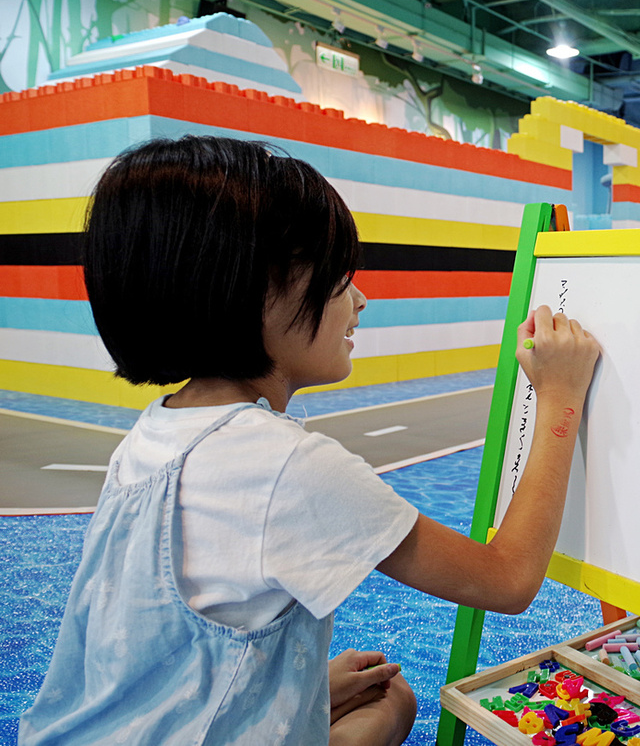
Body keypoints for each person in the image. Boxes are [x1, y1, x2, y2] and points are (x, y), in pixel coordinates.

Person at [19, 136, 600, 746]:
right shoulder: (286, 466)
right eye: (336, 277)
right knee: (394, 702)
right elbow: (506, 580)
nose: (359, 299)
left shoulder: (150, 434)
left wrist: (298, 687)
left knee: (381, 694)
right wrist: (559, 397)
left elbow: (139, 648)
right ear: (256, 291)